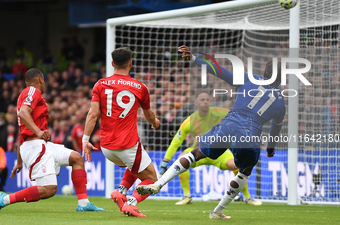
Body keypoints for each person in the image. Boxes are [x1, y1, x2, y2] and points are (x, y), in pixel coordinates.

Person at [137, 45, 285, 219]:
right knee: (245, 170)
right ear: (280, 78)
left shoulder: (249, 79)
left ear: (265, 73)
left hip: (228, 127)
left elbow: (220, 72)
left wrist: (194, 59)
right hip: (250, 136)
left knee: (196, 152)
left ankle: (159, 183)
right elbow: (275, 130)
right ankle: (218, 211)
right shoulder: (281, 102)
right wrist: (269, 150)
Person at [0, 68, 103, 212]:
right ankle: (4, 199)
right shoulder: (32, 91)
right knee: (49, 190)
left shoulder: (26, 98)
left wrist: (18, 162)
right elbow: (24, 113)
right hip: (35, 146)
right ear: (41, 79)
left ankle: (84, 204)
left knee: (77, 159)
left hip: (39, 144)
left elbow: (21, 132)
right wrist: (38, 131)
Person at [82, 47, 160, 217]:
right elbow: (148, 115)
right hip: (128, 144)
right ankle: (131, 203)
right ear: (130, 64)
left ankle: (121, 191)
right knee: (153, 180)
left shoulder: (100, 84)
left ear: (112, 64)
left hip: (107, 147)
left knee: (134, 166)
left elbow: (93, 114)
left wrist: (85, 140)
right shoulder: (140, 87)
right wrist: (155, 121)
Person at [159, 91, 261, 206]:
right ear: (196, 103)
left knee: (236, 164)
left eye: (207, 100)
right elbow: (176, 141)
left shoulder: (219, 113)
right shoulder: (190, 121)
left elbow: (236, 117)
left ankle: (247, 198)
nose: (205, 102)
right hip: (198, 152)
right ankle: (187, 196)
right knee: (181, 158)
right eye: (202, 100)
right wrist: (165, 162)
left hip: (220, 151)